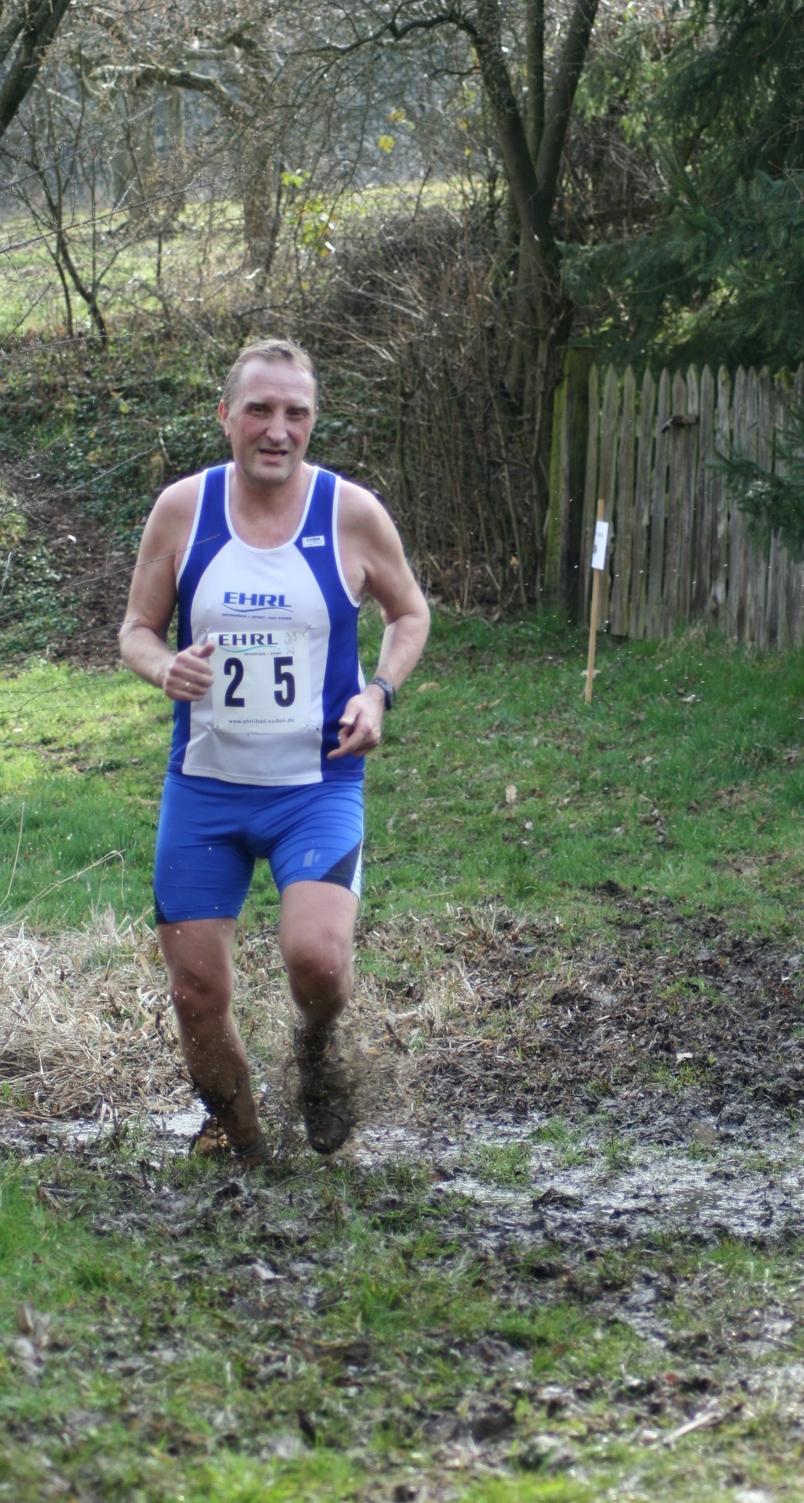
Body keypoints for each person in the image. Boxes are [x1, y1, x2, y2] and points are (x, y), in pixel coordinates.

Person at [119, 338, 430, 1165]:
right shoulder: (183, 511)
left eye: (296, 412)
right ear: (226, 415)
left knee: (318, 962)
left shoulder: (351, 513)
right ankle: (247, 1148)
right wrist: (163, 666)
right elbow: (136, 629)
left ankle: (318, 1053)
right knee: (195, 993)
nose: (278, 429)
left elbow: (410, 613)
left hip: (315, 787)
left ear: (313, 420)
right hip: (207, 789)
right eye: (259, 409)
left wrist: (378, 691)